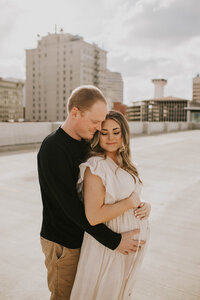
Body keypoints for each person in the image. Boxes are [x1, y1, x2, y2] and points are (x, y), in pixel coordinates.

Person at [37, 86, 146, 300]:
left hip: (88, 241)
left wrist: (141, 204)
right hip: (64, 243)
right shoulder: (53, 149)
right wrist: (114, 241)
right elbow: (74, 210)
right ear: (75, 113)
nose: (99, 128)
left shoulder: (87, 142)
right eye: (95, 122)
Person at [70, 110, 151, 300]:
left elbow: (133, 196)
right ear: (97, 135)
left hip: (126, 251)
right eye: (104, 132)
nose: (110, 137)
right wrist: (130, 202)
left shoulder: (126, 163)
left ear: (124, 133)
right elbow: (93, 215)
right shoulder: (96, 165)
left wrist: (145, 205)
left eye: (116, 131)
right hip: (107, 248)